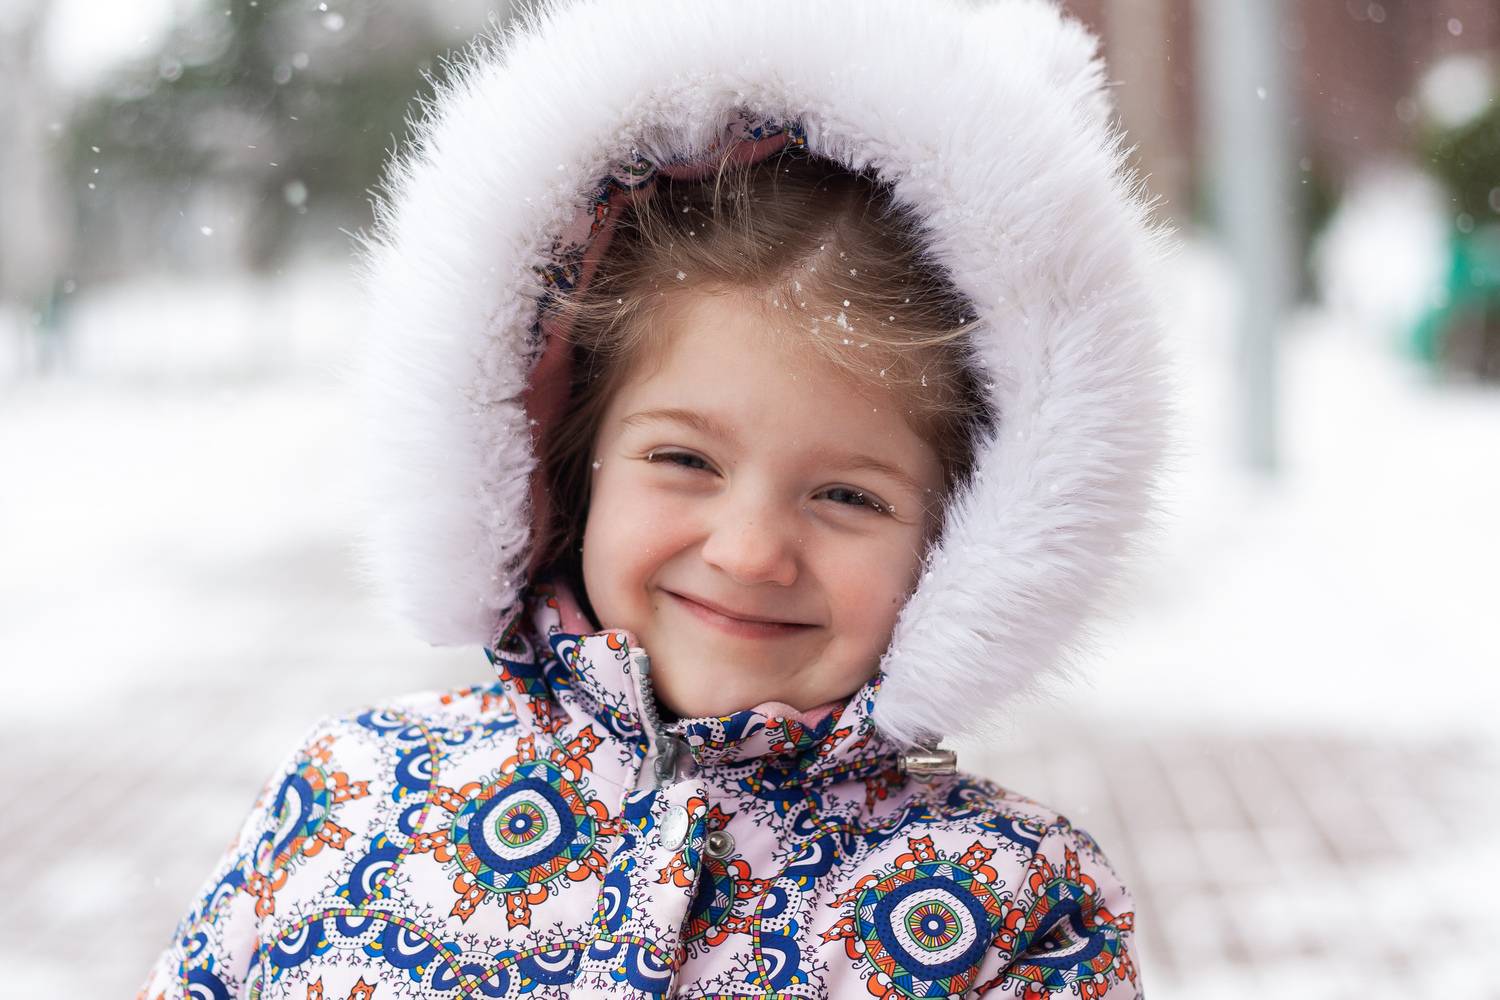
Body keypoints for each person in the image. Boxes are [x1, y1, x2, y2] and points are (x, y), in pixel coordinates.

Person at [138, 0, 1171, 996]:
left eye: (848, 496)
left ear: (962, 540)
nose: (749, 550)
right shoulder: (349, 795)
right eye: (685, 459)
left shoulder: (1006, 907)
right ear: (567, 456)